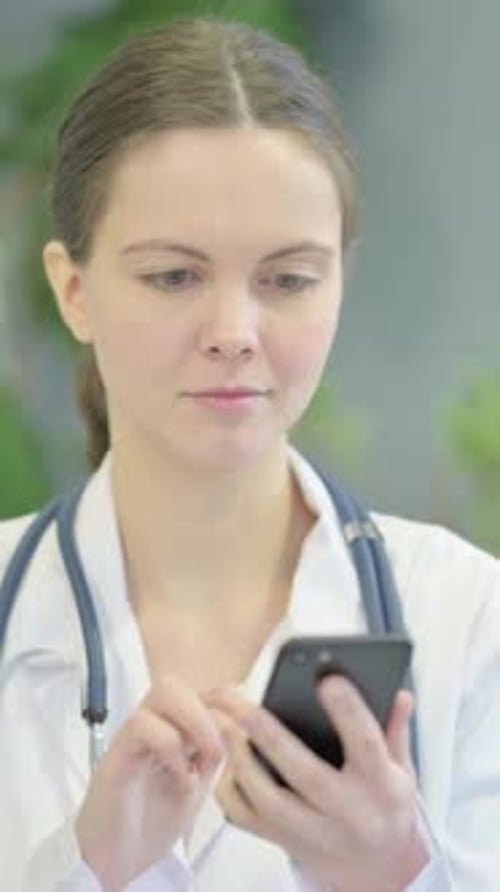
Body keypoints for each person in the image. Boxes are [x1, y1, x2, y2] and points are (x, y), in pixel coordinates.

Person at [0, 15, 499, 892]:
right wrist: (84, 872)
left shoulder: (469, 618)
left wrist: (397, 874)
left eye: (288, 280)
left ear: (340, 283)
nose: (233, 333)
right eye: (173, 276)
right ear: (73, 290)